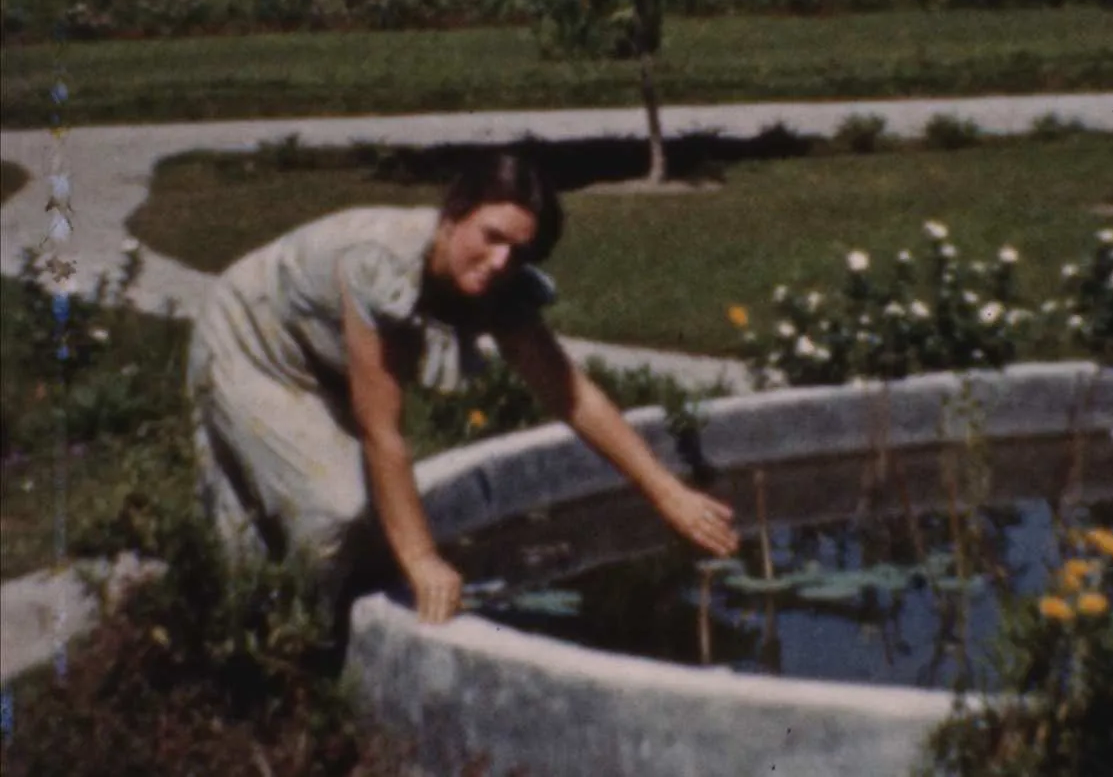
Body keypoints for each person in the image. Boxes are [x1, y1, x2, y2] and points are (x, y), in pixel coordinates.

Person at [186, 149, 739, 625]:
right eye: (491, 237)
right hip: (251, 339)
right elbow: (383, 433)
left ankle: (269, 628)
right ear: (453, 216)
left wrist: (667, 492)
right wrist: (424, 559)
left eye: (518, 251)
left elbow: (570, 395)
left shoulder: (501, 285)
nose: (500, 262)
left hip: (321, 357)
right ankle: (295, 655)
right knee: (334, 512)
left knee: (353, 537)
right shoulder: (381, 263)